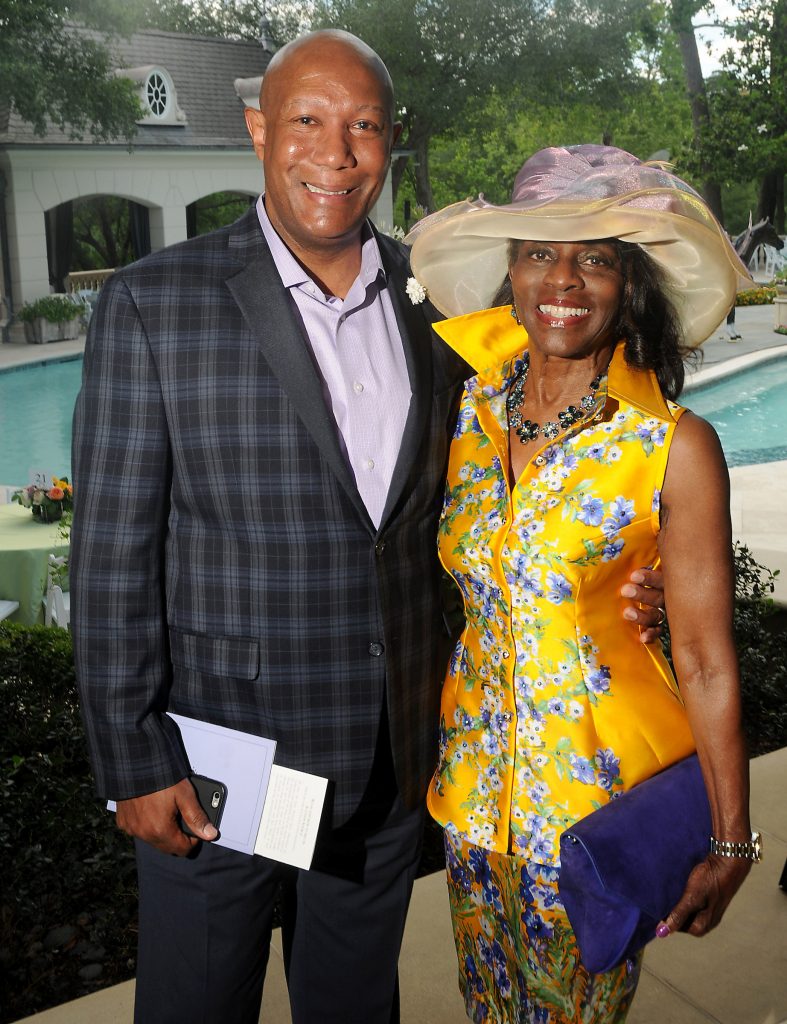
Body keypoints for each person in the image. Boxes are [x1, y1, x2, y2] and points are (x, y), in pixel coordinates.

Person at [70, 33, 666, 1024]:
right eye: (306, 121)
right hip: (222, 772)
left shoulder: (442, 305)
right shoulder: (154, 304)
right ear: (260, 130)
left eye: (362, 129)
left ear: (389, 142)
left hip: (388, 765)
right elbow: (111, 557)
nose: (334, 154)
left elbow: (524, 471)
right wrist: (132, 762)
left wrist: (623, 574)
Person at [407, 145, 760, 1024]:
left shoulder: (671, 448)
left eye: (594, 258)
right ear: (510, 273)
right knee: (485, 1008)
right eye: (538, 253)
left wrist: (729, 838)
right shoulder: (465, 411)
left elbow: (707, 657)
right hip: (470, 799)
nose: (562, 279)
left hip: (593, 823)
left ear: (626, 284)